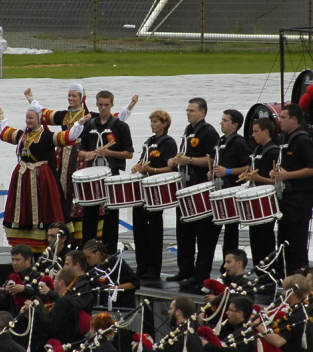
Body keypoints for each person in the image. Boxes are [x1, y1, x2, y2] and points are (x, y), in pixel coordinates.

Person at [26, 86, 137, 246]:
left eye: (74, 96)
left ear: (82, 98)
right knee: (65, 193)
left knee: (94, 201)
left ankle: (103, 246)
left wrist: (130, 106)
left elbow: (115, 118)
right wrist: (31, 99)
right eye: (69, 95)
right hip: (65, 158)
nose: (71, 99)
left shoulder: (90, 117)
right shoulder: (64, 115)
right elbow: (42, 113)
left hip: (87, 163)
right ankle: (71, 235)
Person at [0, 104, 89, 251]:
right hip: (22, 180)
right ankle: (24, 243)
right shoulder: (22, 136)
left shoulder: (47, 136)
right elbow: (5, 133)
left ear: (39, 120)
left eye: (31, 118)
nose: (28, 120)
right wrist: (1, 117)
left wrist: (79, 124)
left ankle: (45, 242)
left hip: (42, 180)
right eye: (27, 117)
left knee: (45, 209)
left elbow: (67, 137)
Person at [167, 97, 221, 288]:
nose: (188, 113)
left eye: (192, 110)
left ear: (202, 112)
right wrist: (176, 159)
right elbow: (186, 155)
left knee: (203, 232)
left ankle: (201, 273)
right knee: (184, 230)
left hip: (201, 187)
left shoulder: (209, 132)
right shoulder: (189, 131)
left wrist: (188, 160)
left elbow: (213, 160)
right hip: (186, 187)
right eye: (187, 110)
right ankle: (185, 268)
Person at [77, 90, 135, 255]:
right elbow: (81, 150)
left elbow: (129, 153)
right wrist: (86, 154)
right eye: (100, 105)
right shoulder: (89, 125)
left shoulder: (120, 126)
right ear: (96, 104)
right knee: (89, 213)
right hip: (92, 174)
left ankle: (109, 252)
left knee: (111, 213)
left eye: (106, 105)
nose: (103, 108)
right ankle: (88, 252)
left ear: (112, 105)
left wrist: (109, 153)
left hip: (112, 173)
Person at [271, 104, 313, 277]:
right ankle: (285, 275)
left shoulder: (302, 139)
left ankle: (300, 277)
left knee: (297, 241)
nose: (280, 121)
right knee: (284, 240)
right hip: (286, 196)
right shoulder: (285, 138)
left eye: (283, 117)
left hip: (300, 196)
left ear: (294, 119)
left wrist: (287, 176)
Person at [130, 109, 178, 279]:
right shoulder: (149, 141)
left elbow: (172, 168)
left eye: (156, 122)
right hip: (142, 191)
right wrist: (137, 167)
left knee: (154, 231)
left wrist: (152, 170)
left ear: (164, 124)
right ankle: (141, 265)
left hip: (156, 192)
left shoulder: (168, 142)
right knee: (140, 229)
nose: (152, 124)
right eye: (151, 121)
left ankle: (153, 268)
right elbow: (143, 161)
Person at [210, 109, 251, 255]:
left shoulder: (239, 142)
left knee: (231, 231)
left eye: (225, 120)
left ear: (235, 125)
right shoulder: (221, 140)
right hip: (218, 189)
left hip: (232, 189)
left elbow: (249, 167)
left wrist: (227, 171)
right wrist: (213, 173)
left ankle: (229, 263)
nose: (221, 122)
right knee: (211, 229)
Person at [241, 117, 279, 270]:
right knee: (255, 238)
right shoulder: (257, 150)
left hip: (267, 201)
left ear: (266, 131)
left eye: (256, 132)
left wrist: (258, 178)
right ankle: (259, 268)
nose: (253, 135)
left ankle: (269, 270)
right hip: (256, 200)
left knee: (265, 239)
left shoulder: (274, 151)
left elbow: (278, 182)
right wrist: (247, 175)